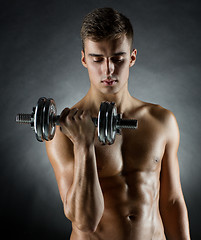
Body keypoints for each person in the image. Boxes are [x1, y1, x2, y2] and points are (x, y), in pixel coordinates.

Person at [45, 8, 191, 240]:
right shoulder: (63, 131)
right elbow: (85, 221)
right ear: (84, 59)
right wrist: (83, 144)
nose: (108, 70)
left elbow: (172, 202)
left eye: (117, 59)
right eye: (97, 59)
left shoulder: (161, 121)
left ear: (132, 57)